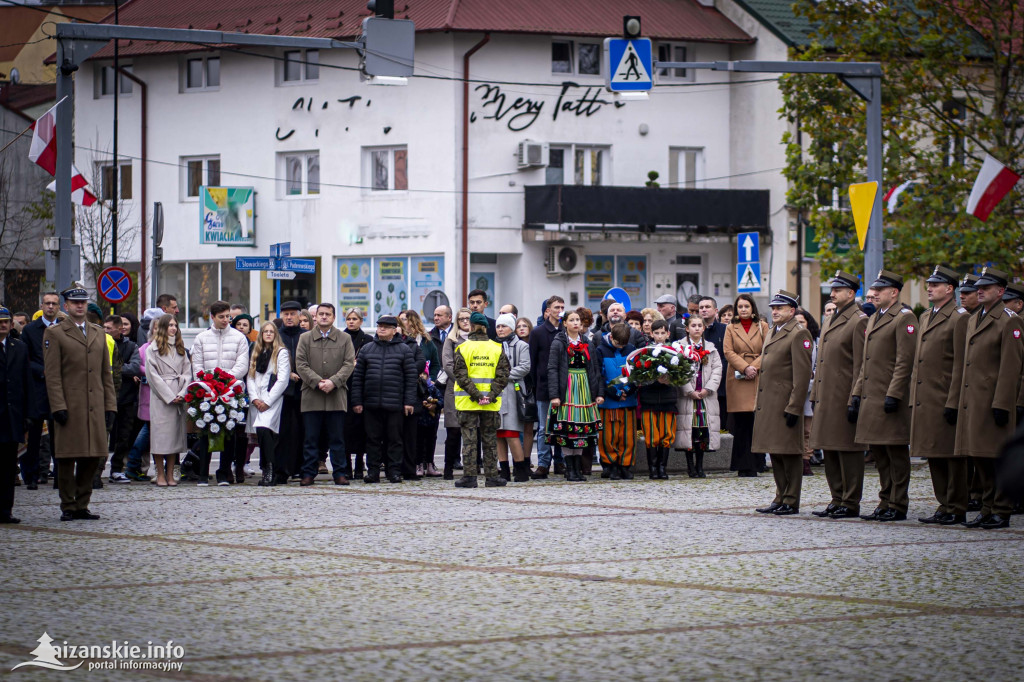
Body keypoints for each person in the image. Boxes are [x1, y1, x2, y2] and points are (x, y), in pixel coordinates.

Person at [952, 267, 1023, 529]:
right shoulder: (973, 319)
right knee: (978, 457)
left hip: (994, 401)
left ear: (1001, 291)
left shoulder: (1009, 320)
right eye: (978, 287)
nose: (979, 290)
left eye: (986, 287)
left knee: (995, 456)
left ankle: (1001, 510)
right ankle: (986, 507)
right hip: (974, 400)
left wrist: (1003, 403)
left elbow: (1010, 367)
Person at [44, 285, 117, 521]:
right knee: (67, 457)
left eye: (83, 302)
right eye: (75, 303)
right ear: (66, 305)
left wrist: (110, 405)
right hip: (70, 404)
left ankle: (83, 503)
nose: (79, 306)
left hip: (95, 403)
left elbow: (106, 373)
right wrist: (58, 406)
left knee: (93, 456)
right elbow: (52, 374)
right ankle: (68, 504)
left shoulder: (97, 332)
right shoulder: (55, 333)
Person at [851, 271, 918, 522]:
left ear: (894, 292)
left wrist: (894, 394)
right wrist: (857, 393)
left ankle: (898, 503)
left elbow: (904, 361)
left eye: (881, 289)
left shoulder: (904, 318)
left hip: (891, 397)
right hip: (872, 396)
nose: (875, 293)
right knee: (879, 453)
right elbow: (866, 363)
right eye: (874, 290)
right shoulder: (874, 318)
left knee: (895, 453)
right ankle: (884, 500)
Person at [909, 266, 971, 525]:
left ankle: (956, 505)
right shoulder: (925, 317)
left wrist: (954, 400)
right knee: (933, 453)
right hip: (926, 397)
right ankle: (943, 504)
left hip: (945, 395)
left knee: (950, 455)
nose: (929, 288)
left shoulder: (959, 317)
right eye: (929, 284)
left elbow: (961, 363)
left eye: (935, 285)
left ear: (950, 289)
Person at [808, 271, 870, 519]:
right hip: (826, 396)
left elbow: (861, 363)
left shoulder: (859, 320)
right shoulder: (832, 319)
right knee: (830, 449)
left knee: (848, 450)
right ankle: (837, 498)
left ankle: (850, 501)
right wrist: (815, 395)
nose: (832, 293)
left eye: (838, 290)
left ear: (851, 294)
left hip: (844, 395)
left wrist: (855, 395)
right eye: (832, 289)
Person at [752, 291, 813, 516]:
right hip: (770, 403)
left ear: (792, 311)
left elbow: (802, 374)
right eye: (773, 307)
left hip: (786, 404)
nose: (775, 311)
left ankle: (791, 499)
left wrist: (795, 406)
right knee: (776, 452)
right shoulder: (774, 331)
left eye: (780, 308)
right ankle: (780, 496)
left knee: (790, 452)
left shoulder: (798, 333)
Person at [350, 315, 417, 484]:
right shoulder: (367, 349)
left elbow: (411, 378)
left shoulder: (404, 350)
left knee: (394, 440)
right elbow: (358, 378)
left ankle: (393, 471)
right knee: (372, 440)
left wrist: (409, 402)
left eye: (386, 327)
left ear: (395, 330)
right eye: (380, 326)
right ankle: (372, 472)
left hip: (395, 404)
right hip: (371, 403)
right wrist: (357, 401)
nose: (381, 329)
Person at [190, 300, 250, 486]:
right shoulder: (201, 338)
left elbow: (242, 364)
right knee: (206, 432)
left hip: (230, 391)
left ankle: (223, 472)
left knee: (229, 433)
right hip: (207, 391)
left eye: (228, 317)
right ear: (212, 317)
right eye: (222, 317)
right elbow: (197, 364)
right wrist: (209, 381)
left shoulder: (239, 338)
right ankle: (202, 473)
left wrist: (225, 380)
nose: (226, 320)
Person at [295, 303, 355, 486]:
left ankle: (340, 473)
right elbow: (301, 364)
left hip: (336, 396)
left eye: (327, 314)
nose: (323, 317)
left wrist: (333, 382)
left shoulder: (344, 338)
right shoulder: (305, 338)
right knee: (311, 439)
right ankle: (308, 473)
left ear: (333, 317)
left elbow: (348, 364)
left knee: (337, 439)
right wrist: (318, 382)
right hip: (312, 396)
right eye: (320, 314)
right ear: (315, 317)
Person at [452, 312, 512, 487]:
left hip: (468, 402)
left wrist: (477, 396)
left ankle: (469, 477)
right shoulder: (496, 347)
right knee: (490, 440)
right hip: (491, 403)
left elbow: (460, 376)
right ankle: (492, 476)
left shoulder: (462, 348)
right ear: (487, 327)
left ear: (470, 326)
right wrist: (489, 396)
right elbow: (503, 375)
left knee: (469, 441)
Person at [546, 308, 603, 482]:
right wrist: (555, 395)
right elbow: (552, 369)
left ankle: (577, 468)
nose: (576, 323)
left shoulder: (587, 342)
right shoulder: (558, 342)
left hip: (584, 388)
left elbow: (594, 369)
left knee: (581, 430)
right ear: (565, 323)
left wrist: (598, 393)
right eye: (572, 320)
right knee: (568, 429)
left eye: (578, 320)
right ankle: (569, 468)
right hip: (567, 388)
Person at [723, 294, 769, 477]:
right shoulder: (730, 328)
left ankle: (757, 463)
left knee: (756, 422)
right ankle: (742, 464)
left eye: (746, 306)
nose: (743, 309)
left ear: (753, 308)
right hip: (738, 377)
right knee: (742, 424)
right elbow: (728, 351)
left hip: (757, 376)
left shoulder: (763, 326)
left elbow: (768, 349)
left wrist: (754, 367)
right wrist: (744, 367)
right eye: (740, 306)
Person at [675, 315, 723, 478]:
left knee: (703, 431)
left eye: (699, 325)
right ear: (687, 329)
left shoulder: (711, 348)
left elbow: (717, 370)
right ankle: (690, 466)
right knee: (689, 431)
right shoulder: (679, 348)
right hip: (688, 397)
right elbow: (677, 371)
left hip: (705, 396)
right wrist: (689, 390)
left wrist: (708, 389)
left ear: (703, 328)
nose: (696, 328)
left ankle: (700, 466)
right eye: (693, 325)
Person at [145, 315, 190, 487]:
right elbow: (152, 376)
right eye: (170, 325)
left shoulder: (180, 348)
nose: (173, 328)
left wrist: (182, 392)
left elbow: (187, 372)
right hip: (161, 398)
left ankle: (171, 473)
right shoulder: (153, 349)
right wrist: (169, 395)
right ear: (163, 327)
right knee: (160, 437)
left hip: (178, 395)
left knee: (174, 438)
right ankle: (160, 473)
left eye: (175, 325)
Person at [21, 291, 60, 490]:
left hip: (58, 390)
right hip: (37, 388)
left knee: (58, 434)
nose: (50, 307)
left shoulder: (64, 329)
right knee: (34, 436)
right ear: (42, 306)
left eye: (54, 303)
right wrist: (43, 371)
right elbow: (25, 358)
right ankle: (31, 476)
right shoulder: (30, 330)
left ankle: (59, 477)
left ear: (59, 306)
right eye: (47, 303)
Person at [246, 322, 291, 487]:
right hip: (257, 400)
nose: (269, 334)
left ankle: (271, 471)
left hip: (272, 399)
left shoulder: (281, 353)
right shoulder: (256, 351)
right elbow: (250, 377)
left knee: (266, 431)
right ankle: (266, 470)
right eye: (266, 331)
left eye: (272, 331)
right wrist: (254, 398)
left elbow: (282, 380)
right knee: (261, 434)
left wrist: (267, 401)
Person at [529, 295, 566, 479]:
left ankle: (561, 461)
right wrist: (537, 386)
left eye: (562, 307)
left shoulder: (566, 332)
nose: (560, 310)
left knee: (562, 426)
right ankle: (544, 462)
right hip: (544, 387)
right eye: (556, 307)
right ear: (548, 310)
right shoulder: (538, 332)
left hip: (564, 387)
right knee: (544, 427)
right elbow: (533, 362)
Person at [594, 323, 638, 479]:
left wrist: (627, 390)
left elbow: (637, 372)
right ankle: (610, 464)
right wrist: (615, 392)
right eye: (618, 343)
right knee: (608, 436)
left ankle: (625, 465)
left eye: (623, 344)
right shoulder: (600, 350)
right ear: (611, 337)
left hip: (628, 400)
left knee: (627, 436)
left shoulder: (631, 349)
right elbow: (599, 375)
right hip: (609, 401)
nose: (621, 347)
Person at [104, 315, 141, 484]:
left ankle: (117, 469)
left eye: (109, 328)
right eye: (104, 327)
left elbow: (134, 367)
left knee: (123, 437)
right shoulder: (100, 343)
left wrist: (113, 368)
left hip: (126, 398)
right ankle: (97, 470)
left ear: (119, 329)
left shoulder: (131, 346)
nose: (105, 331)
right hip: (105, 397)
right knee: (104, 436)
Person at [0, 307, 29, 524]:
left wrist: (28, 414)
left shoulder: (19, 347)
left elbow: (26, 382)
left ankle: (5, 510)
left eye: (5, 322)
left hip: (12, 416)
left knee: (9, 467)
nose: (2, 325)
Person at [400, 310, 437, 478]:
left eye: (403, 320)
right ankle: (413, 463)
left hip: (425, 389)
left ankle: (427, 462)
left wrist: (431, 380)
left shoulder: (427, 342)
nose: (400, 323)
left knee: (427, 430)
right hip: (405, 389)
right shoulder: (399, 340)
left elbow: (436, 364)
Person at [495, 313, 531, 483]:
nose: (500, 329)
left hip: (513, 392)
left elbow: (524, 367)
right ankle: (503, 470)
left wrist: (503, 376)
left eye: (504, 326)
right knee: (498, 434)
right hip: (496, 393)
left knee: (511, 432)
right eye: (498, 326)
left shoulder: (521, 345)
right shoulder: (494, 345)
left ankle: (520, 468)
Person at [638, 320, 676, 479]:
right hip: (649, 398)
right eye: (656, 333)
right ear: (651, 334)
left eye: (663, 333)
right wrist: (655, 380)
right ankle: (652, 468)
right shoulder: (645, 351)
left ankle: (662, 467)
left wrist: (670, 379)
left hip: (668, 398)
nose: (660, 336)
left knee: (667, 433)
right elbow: (639, 375)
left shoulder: (674, 351)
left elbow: (680, 374)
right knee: (652, 434)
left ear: (668, 334)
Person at [276, 301, 306, 483]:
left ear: (299, 316)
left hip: (304, 390)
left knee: (304, 431)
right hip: (283, 391)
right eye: (285, 314)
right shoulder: (277, 336)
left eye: (292, 314)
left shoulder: (306, 336)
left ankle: (301, 468)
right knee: (284, 432)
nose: (288, 317)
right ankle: (282, 469)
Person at [441, 308, 472, 478]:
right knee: (453, 431)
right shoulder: (451, 340)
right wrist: (463, 381)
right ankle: (448, 467)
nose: (465, 321)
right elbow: (447, 364)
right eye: (461, 319)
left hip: (475, 390)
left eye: (468, 318)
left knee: (473, 431)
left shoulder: (478, 340)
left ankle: (471, 467)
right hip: (455, 388)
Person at [342, 308, 372, 479]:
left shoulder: (368, 340)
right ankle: (346, 464)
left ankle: (360, 462)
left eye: (355, 319)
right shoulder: (340, 337)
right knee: (345, 429)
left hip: (362, 387)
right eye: (348, 319)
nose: (351, 321)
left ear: (361, 321)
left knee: (362, 428)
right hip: (344, 386)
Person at [794, 308, 820, 475]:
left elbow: (817, 366)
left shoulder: (814, 342)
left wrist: (809, 383)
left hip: (809, 391)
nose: (799, 325)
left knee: (808, 430)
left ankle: (806, 460)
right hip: (793, 391)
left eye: (802, 322)